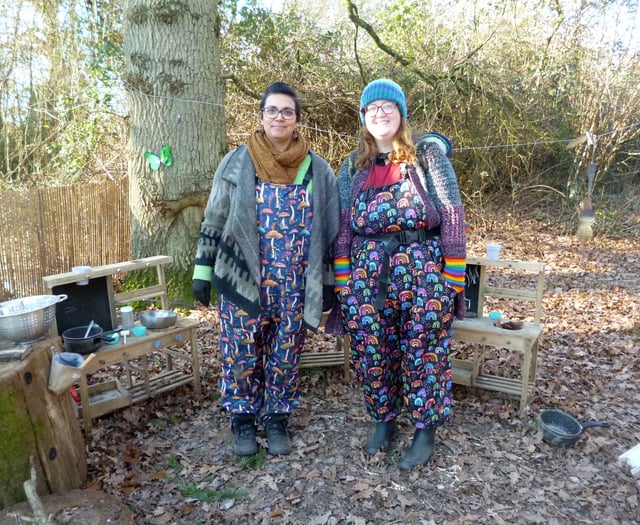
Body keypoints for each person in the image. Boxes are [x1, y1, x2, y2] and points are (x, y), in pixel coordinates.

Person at [325, 79, 466, 471]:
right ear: (363, 118)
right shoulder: (353, 166)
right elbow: (341, 225)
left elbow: (452, 211)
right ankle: (383, 420)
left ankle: (424, 429)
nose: (380, 113)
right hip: (366, 274)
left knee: (424, 348)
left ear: (401, 113)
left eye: (388, 106)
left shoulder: (427, 156)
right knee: (372, 349)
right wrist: (343, 279)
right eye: (372, 108)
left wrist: (453, 273)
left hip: (422, 268)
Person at [192, 81, 339, 457]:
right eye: (272, 110)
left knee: (285, 354)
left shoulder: (318, 171)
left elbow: (332, 231)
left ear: (297, 120)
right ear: (261, 116)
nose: (279, 117)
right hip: (243, 278)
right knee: (239, 351)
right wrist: (202, 272)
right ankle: (242, 418)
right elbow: (215, 216)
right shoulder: (237, 162)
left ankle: (276, 417)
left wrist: (329, 283)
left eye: (287, 111)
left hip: (295, 284)